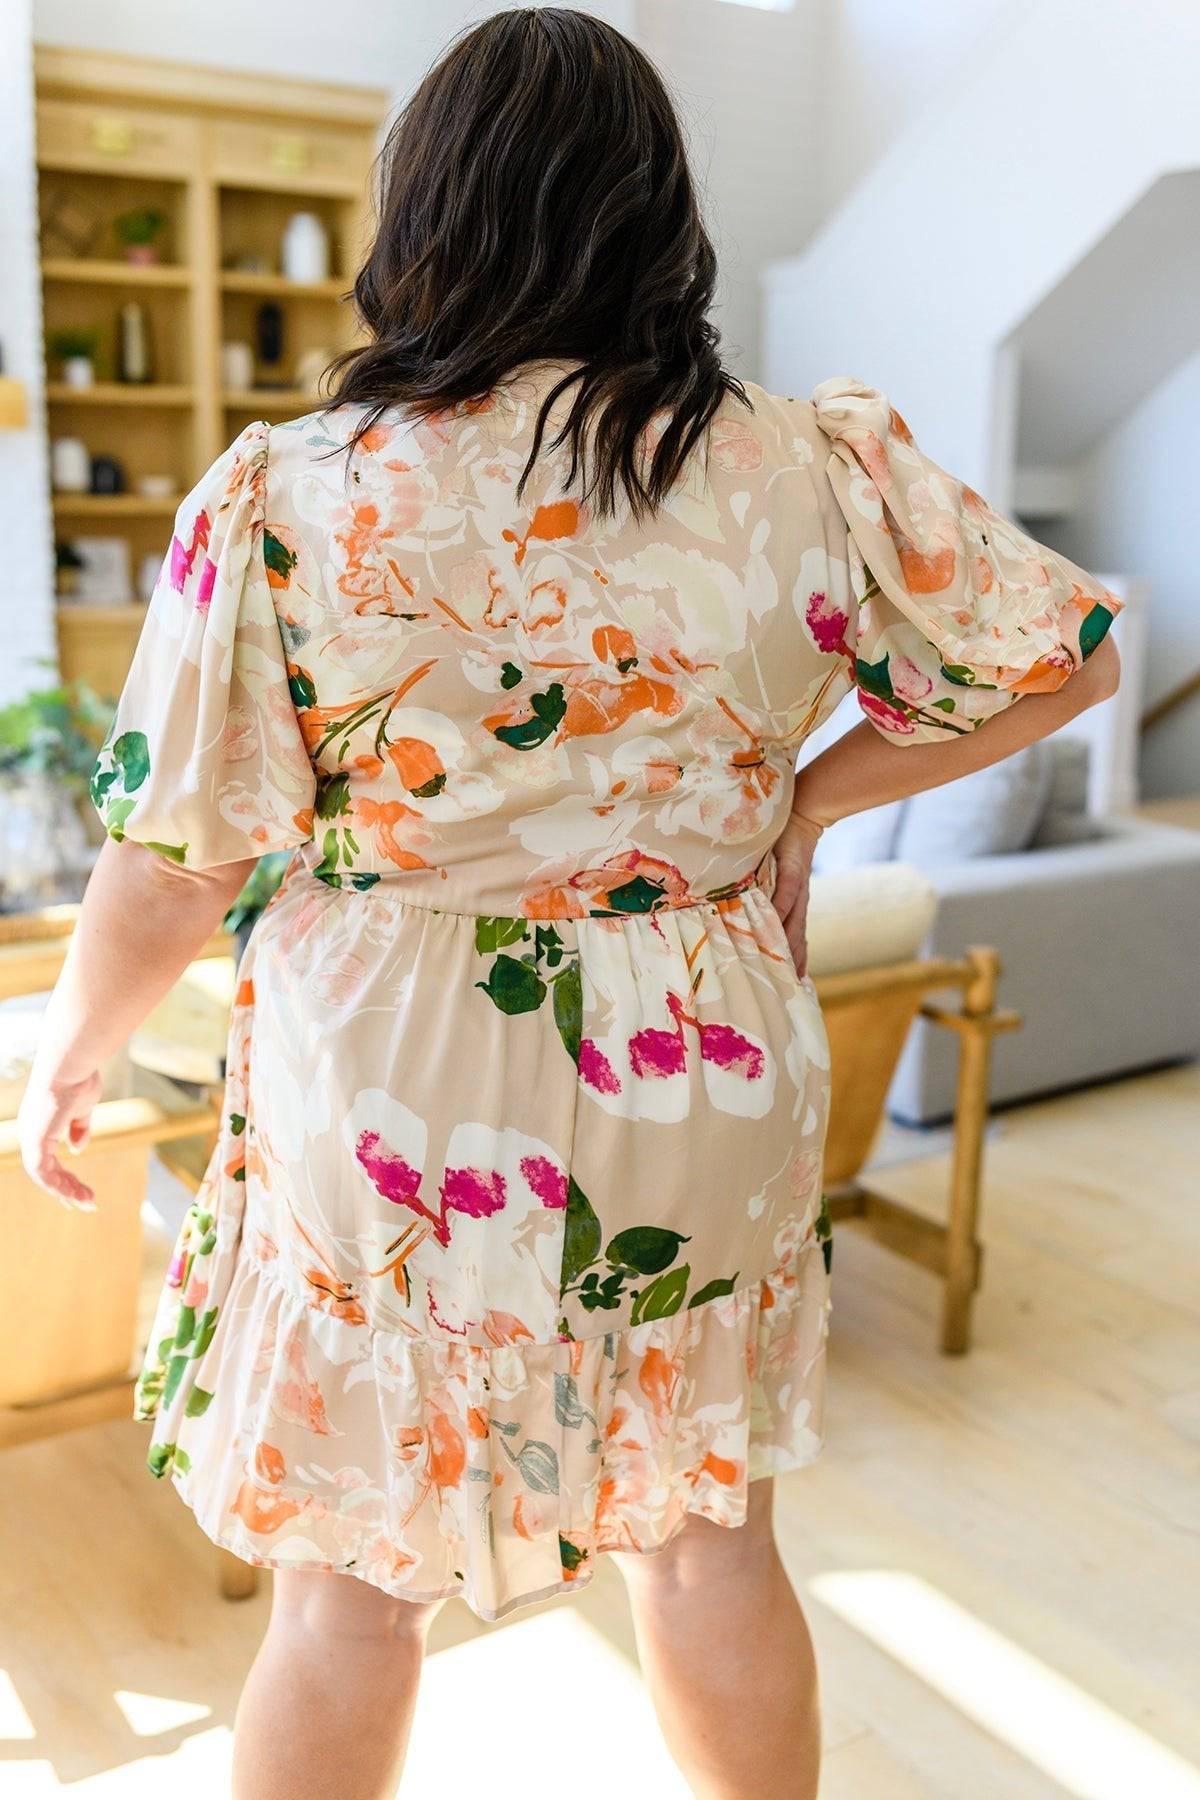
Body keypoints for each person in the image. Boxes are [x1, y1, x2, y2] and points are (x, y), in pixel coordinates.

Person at [18, 11, 1121, 1799]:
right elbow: (1064, 657)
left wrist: (74, 1046)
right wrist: (808, 800)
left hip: (387, 1076)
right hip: (699, 1045)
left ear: (424, 210)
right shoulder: (806, 464)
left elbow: (182, 849)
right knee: (709, 1542)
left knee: (349, 1589)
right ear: (655, 213)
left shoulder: (295, 490)